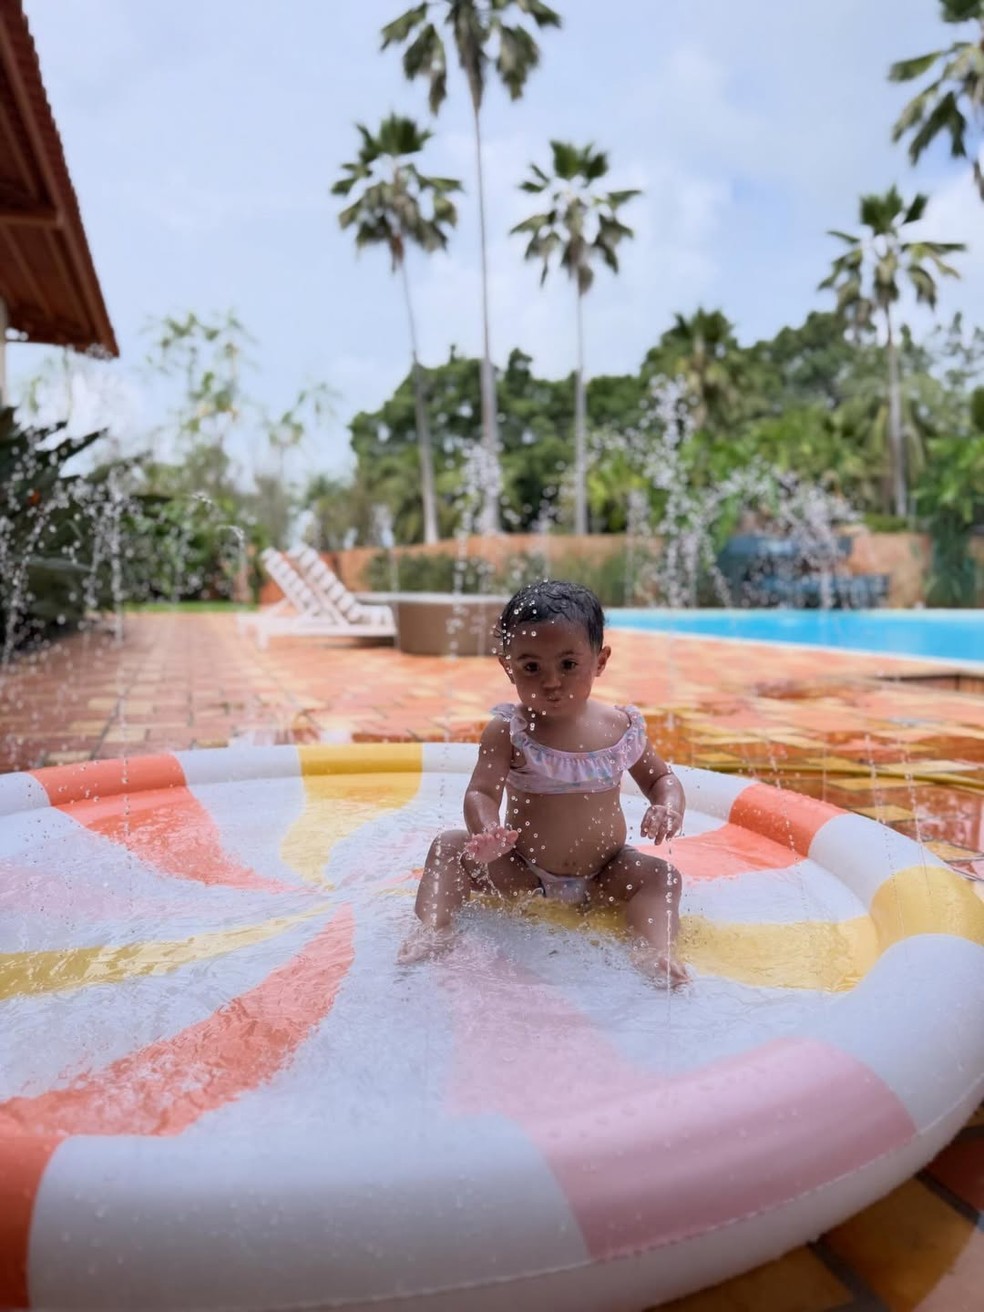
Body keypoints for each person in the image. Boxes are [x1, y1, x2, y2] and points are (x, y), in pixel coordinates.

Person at [398, 580, 689, 985]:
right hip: (524, 871)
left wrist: (667, 806)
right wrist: (488, 832)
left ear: (599, 661)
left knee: (664, 877)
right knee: (448, 848)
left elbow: (662, 778)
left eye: (568, 665)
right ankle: (432, 928)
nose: (551, 682)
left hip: (604, 871)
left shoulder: (619, 728)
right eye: (531, 667)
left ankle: (655, 950)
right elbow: (481, 792)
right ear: (508, 665)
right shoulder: (508, 731)